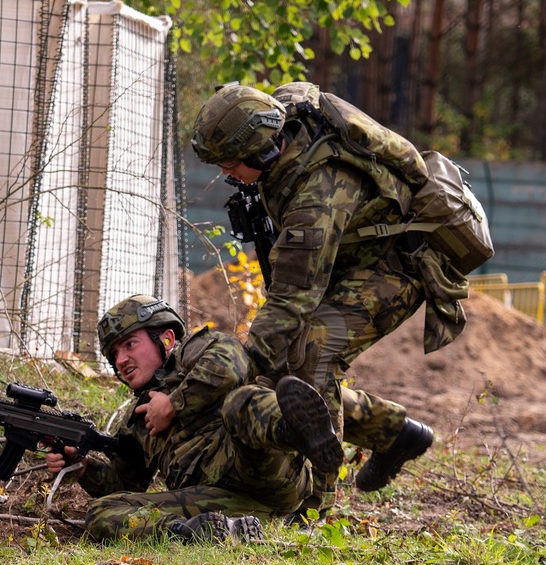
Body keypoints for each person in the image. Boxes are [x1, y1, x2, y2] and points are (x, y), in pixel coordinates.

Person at [191, 82, 448, 513]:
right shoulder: (279, 118)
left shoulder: (318, 196)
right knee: (285, 362)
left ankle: (316, 507)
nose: (225, 175)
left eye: (231, 164)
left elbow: (292, 300)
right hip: (350, 254)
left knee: (312, 348)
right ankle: (394, 432)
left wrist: (236, 369)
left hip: (400, 267)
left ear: (262, 152)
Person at [44, 295, 343, 542]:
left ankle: (299, 434)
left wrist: (173, 405)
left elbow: (231, 365)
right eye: (114, 354)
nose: (121, 360)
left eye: (130, 344)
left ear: (167, 337)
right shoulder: (136, 419)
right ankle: (196, 532)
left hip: (268, 471)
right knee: (101, 512)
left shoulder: (194, 352)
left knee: (242, 402)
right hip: (222, 501)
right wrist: (82, 467)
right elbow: (126, 485)